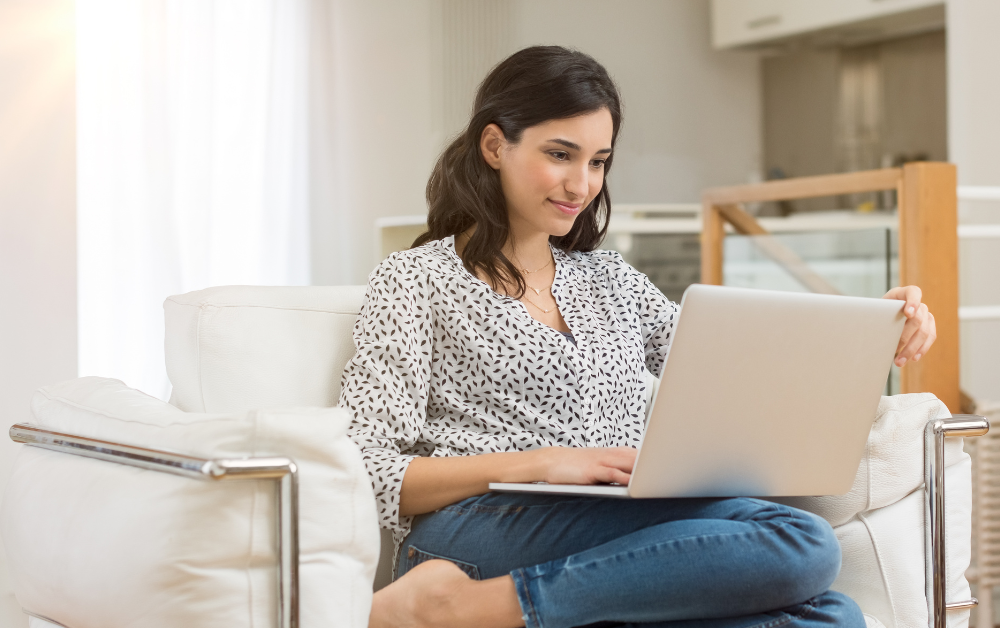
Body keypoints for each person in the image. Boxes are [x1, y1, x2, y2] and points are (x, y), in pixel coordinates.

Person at [340, 45, 937, 628]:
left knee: (834, 613)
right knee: (798, 541)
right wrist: (545, 465)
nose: (581, 183)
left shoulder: (609, 278)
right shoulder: (415, 278)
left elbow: (742, 362)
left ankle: (516, 612)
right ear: (495, 146)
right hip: (474, 527)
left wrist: (875, 326)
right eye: (560, 154)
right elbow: (368, 465)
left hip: (619, 516)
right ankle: (451, 604)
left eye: (599, 161)